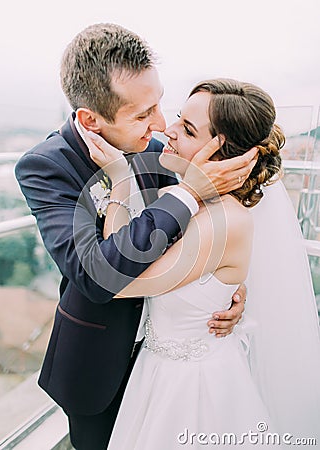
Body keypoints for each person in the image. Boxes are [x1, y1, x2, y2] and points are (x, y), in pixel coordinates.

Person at [14, 24, 257, 450]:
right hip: (97, 361)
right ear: (91, 119)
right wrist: (186, 193)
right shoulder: (46, 167)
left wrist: (226, 289)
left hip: (177, 360)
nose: (161, 124)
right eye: (143, 114)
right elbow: (94, 275)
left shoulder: (158, 147)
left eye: (159, 104)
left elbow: (211, 229)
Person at [85, 78, 320, 449]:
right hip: (157, 370)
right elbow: (125, 251)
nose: (168, 131)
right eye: (179, 117)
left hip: (189, 388)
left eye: (188, 129)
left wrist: (119, 182)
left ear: (220, 155)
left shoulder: (221, 222)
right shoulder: (186, 199)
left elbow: (118, 280)